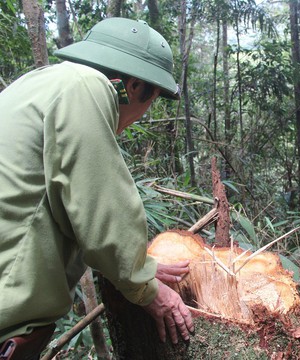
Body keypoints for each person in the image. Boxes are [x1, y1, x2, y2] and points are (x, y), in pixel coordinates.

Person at [0, 18, 193, 358]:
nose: (145, 113)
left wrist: (139, 265)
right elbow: (100, 206)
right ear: (135, 86)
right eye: (154, 98)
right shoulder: (85, 85)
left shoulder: (40, 82)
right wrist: (145, 286)